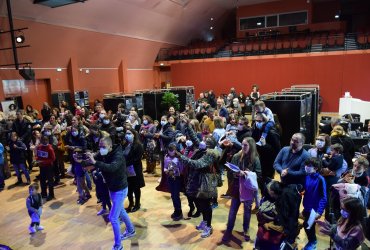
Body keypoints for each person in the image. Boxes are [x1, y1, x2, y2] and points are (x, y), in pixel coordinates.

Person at [85, 136, 135, 250]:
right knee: (121, 211)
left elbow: (111, 168)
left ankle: (118, 245)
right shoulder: (104, 152)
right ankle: (131, 230)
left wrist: (95, 162)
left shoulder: (118, 155)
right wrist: (80, 160)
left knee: (113, 218)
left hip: (120, 189)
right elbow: (91, 160)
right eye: (100, 147)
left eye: (103, 147)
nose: (101, 149)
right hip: (112, 187)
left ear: (110, 146)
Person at [177, 130, 220, 239]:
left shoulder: (210, 154)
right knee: (198, 203)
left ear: (209, 145)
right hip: (196, 182)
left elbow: (197, 164)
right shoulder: (202, 150)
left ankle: (208, 226)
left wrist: (180, 156)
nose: (201, 142)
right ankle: (204, 222)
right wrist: (188, 126)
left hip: (204, 184)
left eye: (204, 141)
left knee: (205, 205)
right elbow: (195, 140)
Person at [222, 137, 261, 243]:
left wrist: (248, 174)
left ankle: (246, 229)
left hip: (248, 189)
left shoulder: (255, 159)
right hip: (236, 187)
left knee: (247, 211)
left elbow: (259, 175)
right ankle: (228, 230)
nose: (243, 147)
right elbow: (230, 172)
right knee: (232, 211)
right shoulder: (236, 156)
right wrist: (236, 174)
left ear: (251, 146)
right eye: (242, 144)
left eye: (245, 145)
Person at [301, 157, 327, 250]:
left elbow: (324, 197)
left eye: (309, 166)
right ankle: (311, 240)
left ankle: (313, 242)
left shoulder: (320, 179)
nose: (306, 167)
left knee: (308, 226)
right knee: (308, 225)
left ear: (316, 168)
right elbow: (306, 189)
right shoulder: (307, 176)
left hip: (315, 209)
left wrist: (319, 212)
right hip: (307, 206)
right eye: (306, 165)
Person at [254, 180, 284, 250]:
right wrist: (263, 223)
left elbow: (281, 222)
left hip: (274, 234)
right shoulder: (265, 198)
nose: (268, 190)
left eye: (270, 189)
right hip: (263, 230)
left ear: (273, 192)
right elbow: (259, 214)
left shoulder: (282, 204)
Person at [122, 128, 145, 213]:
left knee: (136, 188)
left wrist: (126, 163)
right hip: (126, 170)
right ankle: (131, 203)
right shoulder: (125, 144)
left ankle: (137, 204)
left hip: (135, 169)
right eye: (126, 133)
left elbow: (137, 159)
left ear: (134, 135)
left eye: (129, 133)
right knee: (129, 189)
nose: (127, 135)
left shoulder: (138, 145)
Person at [322, 143, 344, 221]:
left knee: (328, 198)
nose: (330, 151)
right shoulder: (341, 157)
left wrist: (324, 160)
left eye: (332, 150)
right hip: (335, 179)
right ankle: (329, 217)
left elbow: (329, 166)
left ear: (337, 151)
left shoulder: (334, 159)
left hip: (330, 179)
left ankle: (328, 218)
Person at [164, 143, 184, 220]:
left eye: (172, 151)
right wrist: (167, 171)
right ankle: (176, 210)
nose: (171, 152)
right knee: (173, 196)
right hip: (170, 179)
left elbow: (182, 170)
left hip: (176, 179)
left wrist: (175, 172)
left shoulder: (179, 158)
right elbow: (165, 168)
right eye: (169, 151)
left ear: (175, 150)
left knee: (176, 196)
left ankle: (179, 212)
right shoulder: (166, 157)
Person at [36, 135, 56, 201]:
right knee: (42, 181)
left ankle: (51, 195)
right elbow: (38, 155)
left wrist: (43, 161)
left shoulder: (50, 148)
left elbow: (53, 159)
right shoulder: (39, 147)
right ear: (41, 141)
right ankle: (43, 193)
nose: (44, 141)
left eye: (46, 140)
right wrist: (37, 160)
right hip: (42, 167)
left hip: (49, 167)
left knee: (50, 181)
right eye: (43, 140)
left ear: (47, 140)